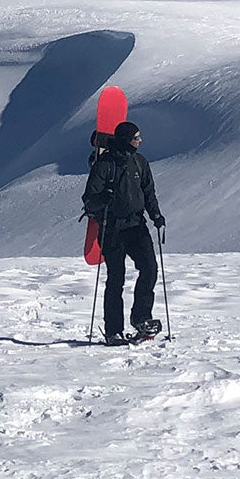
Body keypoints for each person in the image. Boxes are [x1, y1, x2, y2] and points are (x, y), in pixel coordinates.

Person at [81, 121, 166, 345]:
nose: (140, 141)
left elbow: (149, 192)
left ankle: (141, 319)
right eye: (136, 138)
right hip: (112, 228)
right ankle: (113, 331)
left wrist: (156, 216)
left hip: (137, 226)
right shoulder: (105, 165)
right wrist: (103, 200)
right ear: (126, 139)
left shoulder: (140, 162)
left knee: (149, 268)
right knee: (115, 279)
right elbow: (89, 199)